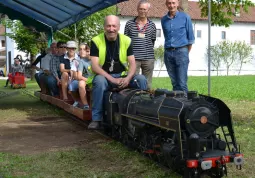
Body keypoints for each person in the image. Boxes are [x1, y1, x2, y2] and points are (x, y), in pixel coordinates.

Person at [88, 15, 147, 129]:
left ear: (119, 27)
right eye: (108, 26)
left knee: (141, 79)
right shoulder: (96, 41)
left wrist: (128, 78)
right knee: (99, 82)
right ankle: (96, 119)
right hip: (105, 77)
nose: (111, 29)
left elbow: (133, 64)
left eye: (114, 26)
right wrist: (112, 79)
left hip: (122, 76)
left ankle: (142, 115)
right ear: (104, 27)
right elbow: (95, 66)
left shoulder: (127, 40)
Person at [161, 0, 195, 94]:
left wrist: (184, 53)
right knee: (174, 83)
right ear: (166, 4)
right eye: (169, 3)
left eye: (173, 3)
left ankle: (186, 105)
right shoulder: (163, 20)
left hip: (181, 52)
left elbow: (191, 38)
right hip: (168, 53)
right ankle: (177, 105)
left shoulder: (185, 17)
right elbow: (166, 36)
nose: (171, 5)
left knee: (182, 83)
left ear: (177, 4)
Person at [124, 0, 156, 90]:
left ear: (148, 10)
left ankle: (147, 101)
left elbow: (153, 40)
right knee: (134, 82)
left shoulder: (152, 25)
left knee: (148, 84)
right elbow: (126, 41)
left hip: (148, 58)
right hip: (133, 59)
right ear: (137, 9)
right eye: (140, 9)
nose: (142, 11)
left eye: (145, 9)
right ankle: (134, 101)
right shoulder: (129, 24)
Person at [77, 43, 92, 110]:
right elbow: (79, 76)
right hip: (87, 80)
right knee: (81, 83)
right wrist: (88, 80)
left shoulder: (97, 60)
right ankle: (85, 105)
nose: (88, 53)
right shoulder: (82, 61)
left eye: (89, 51)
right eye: (87, 51)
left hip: (97, 79)